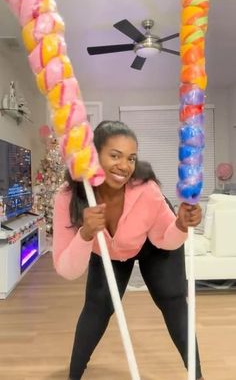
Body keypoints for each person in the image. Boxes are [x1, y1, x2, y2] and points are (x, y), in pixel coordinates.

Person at [53, 120, 204, 379]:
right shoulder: (68, 197)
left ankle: (198, 375)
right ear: (93, 155)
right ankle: (73, 376)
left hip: (154, 244)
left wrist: (180, 224)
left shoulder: (146, 190)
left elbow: (166, 240)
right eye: (115, 155)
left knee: (173, 300)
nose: (125, 166)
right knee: (97, 307)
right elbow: (67, 270)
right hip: (109, 253)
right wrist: (86, 233)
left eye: (131, 158)